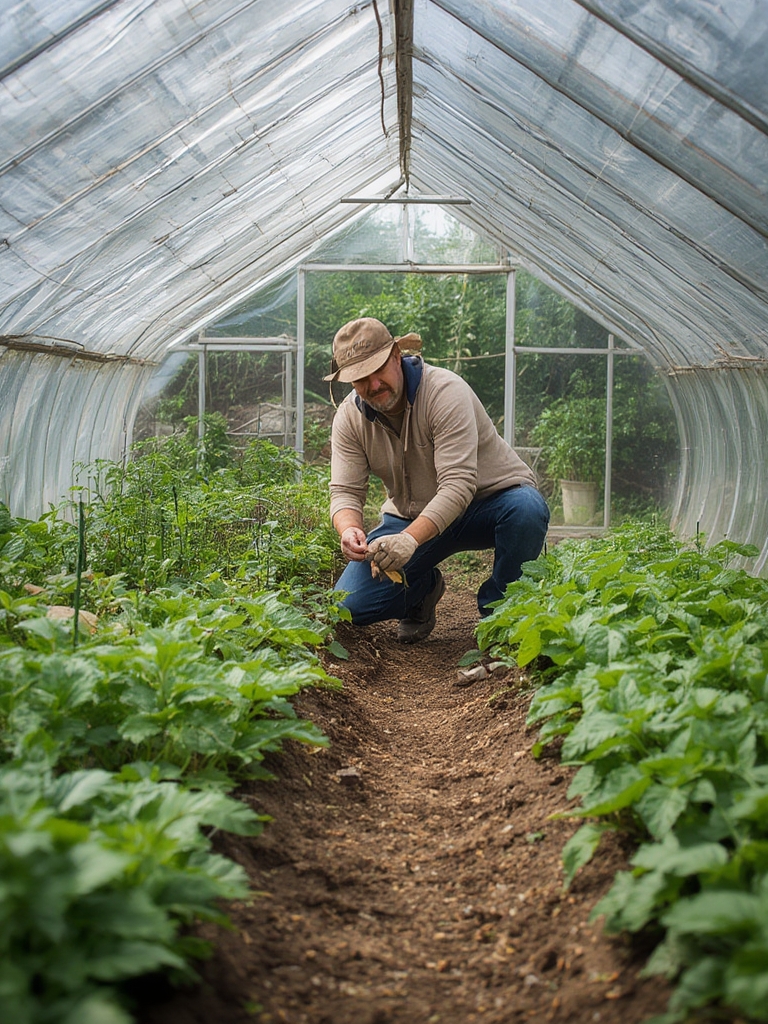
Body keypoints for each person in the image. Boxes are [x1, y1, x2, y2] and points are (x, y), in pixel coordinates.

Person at [325, 317, 550, 643]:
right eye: (361, 378)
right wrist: (348, 529)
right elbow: (345, 491)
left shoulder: (445, 392)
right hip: (412, 516)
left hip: (486, 505)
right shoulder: (350, 418)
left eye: (378, 370)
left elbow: (458, 484)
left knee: (527, 509)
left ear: (396, 356)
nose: (373, 385)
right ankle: (422, 590)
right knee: (349, 605)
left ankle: (502, 616)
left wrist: (409, 540)